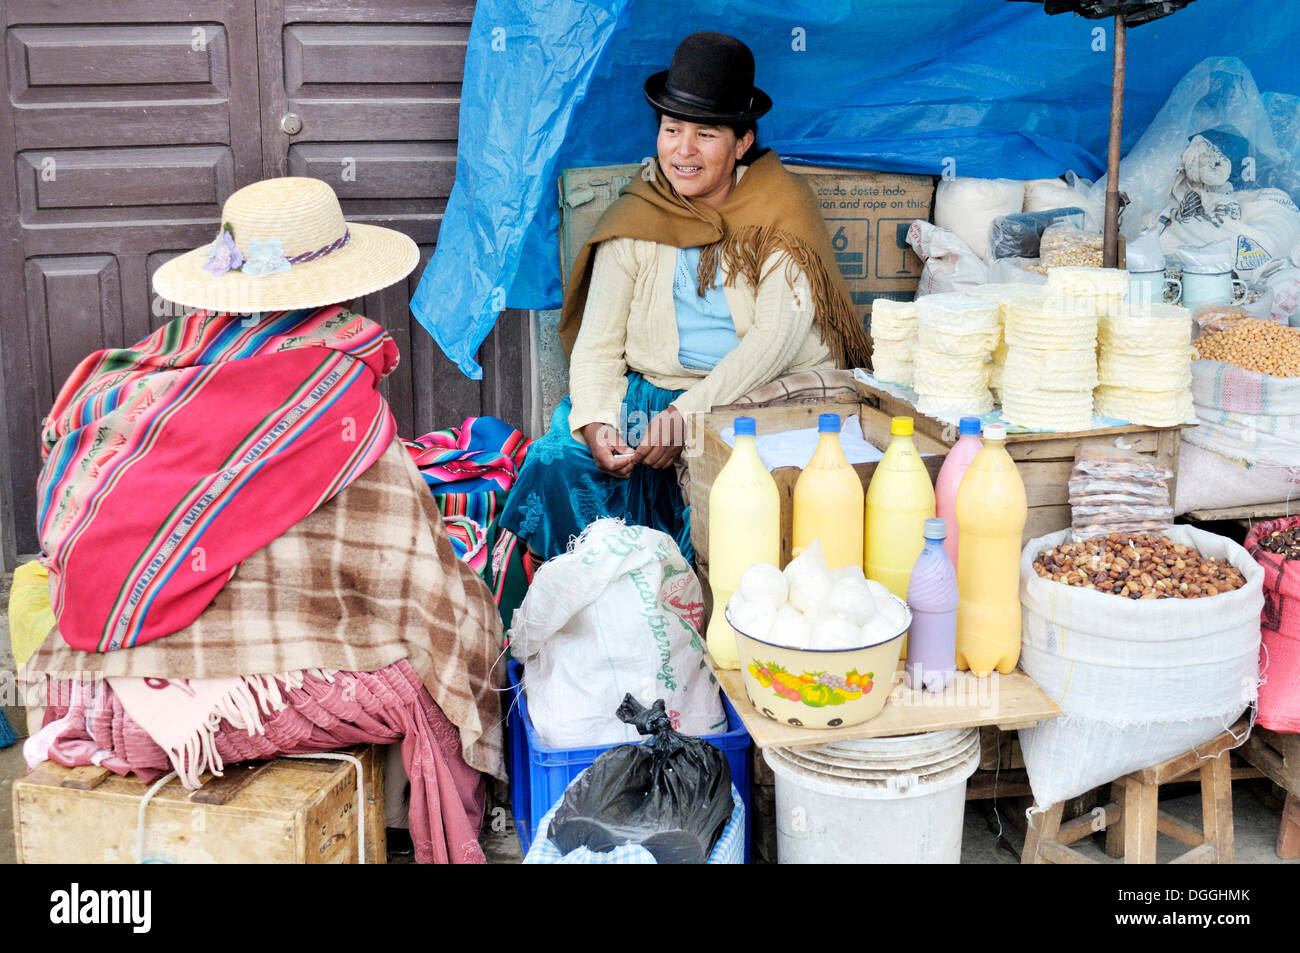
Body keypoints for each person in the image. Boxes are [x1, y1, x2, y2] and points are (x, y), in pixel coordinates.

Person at [499, 31, 873, 562]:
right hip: (651, 398)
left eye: (706, 134)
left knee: (733, 497)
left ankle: (689, 620)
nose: (683, 150)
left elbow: (775, 339)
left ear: (742, 142)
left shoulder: (780, 211)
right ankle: (601, 608)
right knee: (559, 457)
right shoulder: (640, 213)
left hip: (752, 402)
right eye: (672, 130)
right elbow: (599, 340)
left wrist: (688, 416)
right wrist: (598, 420)